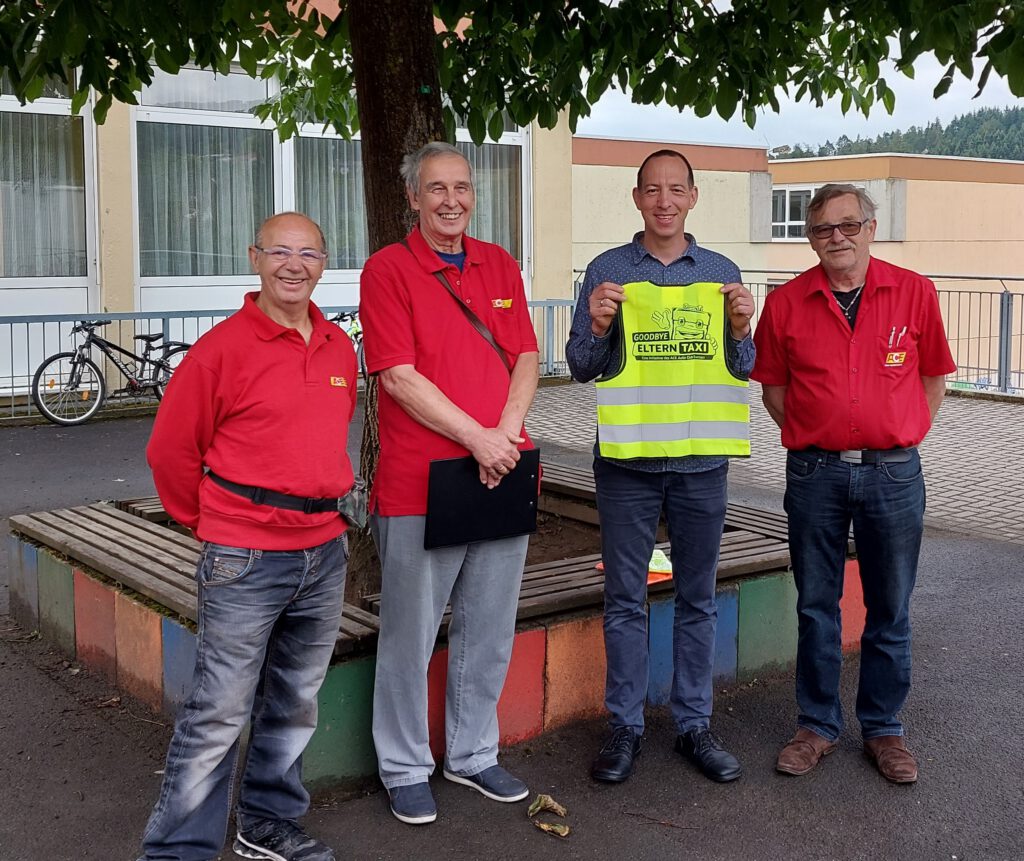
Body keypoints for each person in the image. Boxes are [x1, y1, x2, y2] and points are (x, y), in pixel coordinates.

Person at [138, 212, 358, 861]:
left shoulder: (338, 346)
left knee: (294, 701)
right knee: (218, 712)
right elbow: (170, 451)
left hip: (324, 550)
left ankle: (265, 822)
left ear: (324, 264)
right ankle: (178, 849)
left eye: (308, 253)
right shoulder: (220, 350)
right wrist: (208, 523)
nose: (294, 264)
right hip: (245, 556)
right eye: (280, 251)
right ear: (254, 257)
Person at [360, 142, 540, 825]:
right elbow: (398, 377)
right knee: (410, 634)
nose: (451, 200)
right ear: (413, 197)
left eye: (461, 187)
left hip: (502, 470)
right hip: (421, 483)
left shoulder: (499, 263)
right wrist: (480, 439)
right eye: (436, 188)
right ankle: (404, 766)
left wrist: (506, 432)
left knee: (489, 626)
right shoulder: (388, 270)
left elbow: (527, 354)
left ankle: (472, 753)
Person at [752, 184, 956, 784]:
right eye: (823, 229)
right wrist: (817, 434)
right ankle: (816, 725)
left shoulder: (914, 292)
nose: (836, 237)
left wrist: (902, 433)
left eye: (848, 225)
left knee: (889, 606)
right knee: (816, 605)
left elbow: (933, 377)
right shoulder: (785, 303)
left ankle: (884, 729)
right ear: (811, 238)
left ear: (871, 228)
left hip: (893, 472)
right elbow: (773, 390)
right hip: (814, 473)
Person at [566, 149, 755, 785]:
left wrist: (740, 329)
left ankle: (694, 725)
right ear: (637, 198)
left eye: (676, 190)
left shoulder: (722, 273)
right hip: (627, 465)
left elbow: (743, 368)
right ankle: (624, 727)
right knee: (625, 600)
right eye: (653, 190)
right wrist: (597, 326)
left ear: (693, 197)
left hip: (702, 464)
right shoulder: (607, 270)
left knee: (698, 598)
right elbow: (580, 366)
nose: (664, 201)